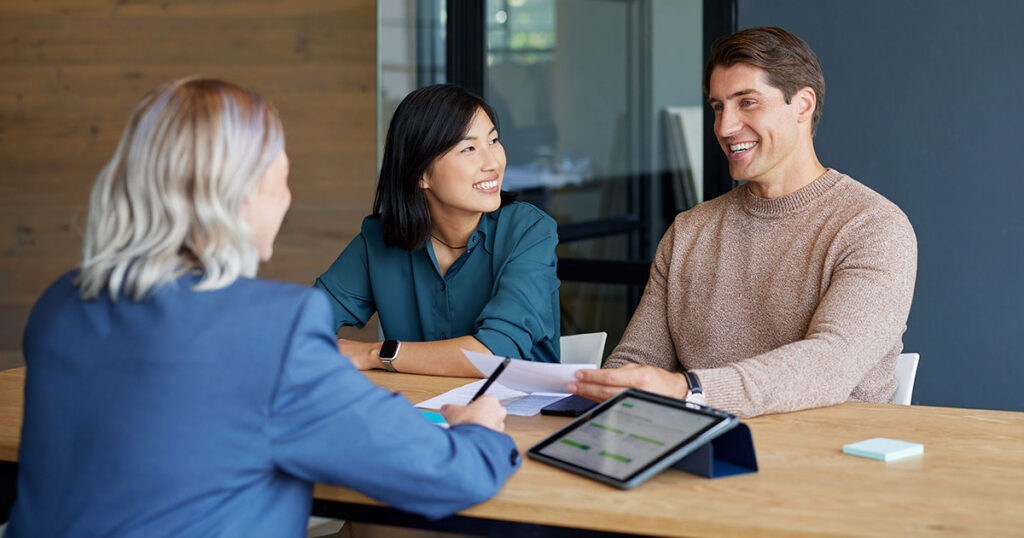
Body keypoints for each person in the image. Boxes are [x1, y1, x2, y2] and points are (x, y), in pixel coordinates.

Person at [6, 78, 520, 537]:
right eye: (282, 177)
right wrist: (477, 429)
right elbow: (446, 474)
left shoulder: (62, 304)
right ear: (244, 195)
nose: (287, 198)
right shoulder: (276, 328)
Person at [569, 27, 918, 418]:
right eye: (718, 107)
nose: (724, 127)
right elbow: (638, 358)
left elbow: (830, 364)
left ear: (802, 105)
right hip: (700, 453)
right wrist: (607, 387)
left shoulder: (873, 227)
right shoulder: (689, 231)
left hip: (832, 462)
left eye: (747, 102)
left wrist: (692, 389)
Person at [314, 84, 561, 377]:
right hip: (420, 412)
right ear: (420, 173)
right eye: (469, 148)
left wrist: (374, 353)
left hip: (521, 415)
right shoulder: (380, 239)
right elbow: (301, 326)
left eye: (494, 141)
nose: (493, 162)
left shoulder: (528, 232)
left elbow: (494, 354)